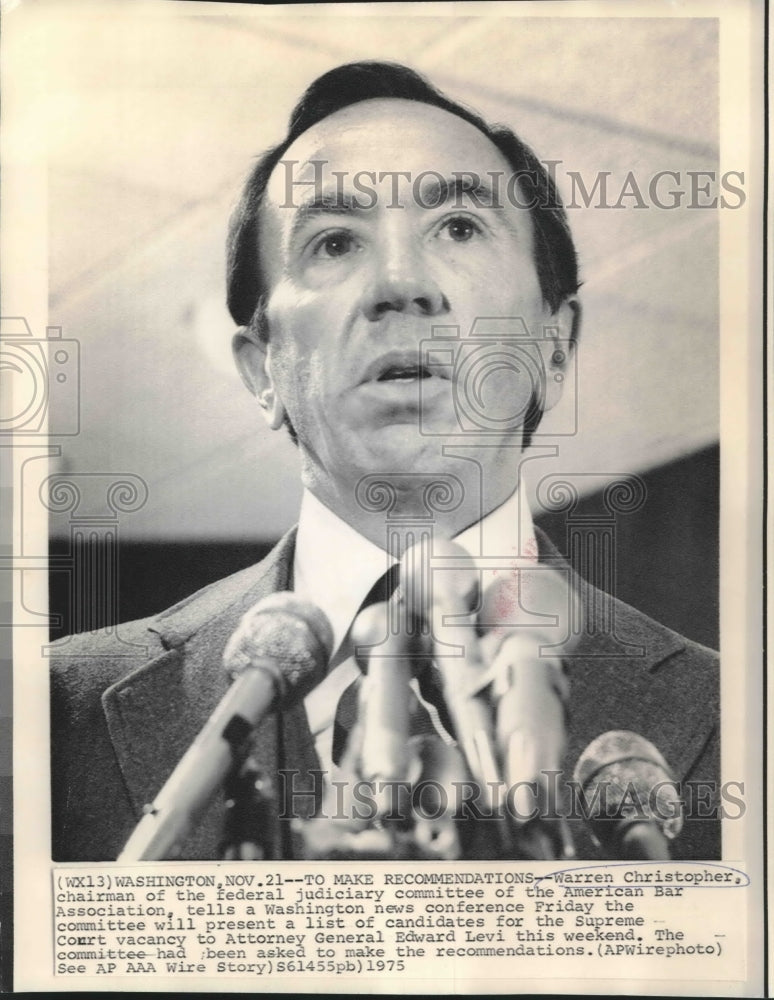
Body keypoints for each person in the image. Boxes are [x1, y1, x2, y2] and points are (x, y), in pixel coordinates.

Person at [50, 61, 719, 862]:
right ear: (263, 371)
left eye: (460, 227)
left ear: (555, 345)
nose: (401, 284)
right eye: (335, 242)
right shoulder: (52, 712)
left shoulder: (738, 720)